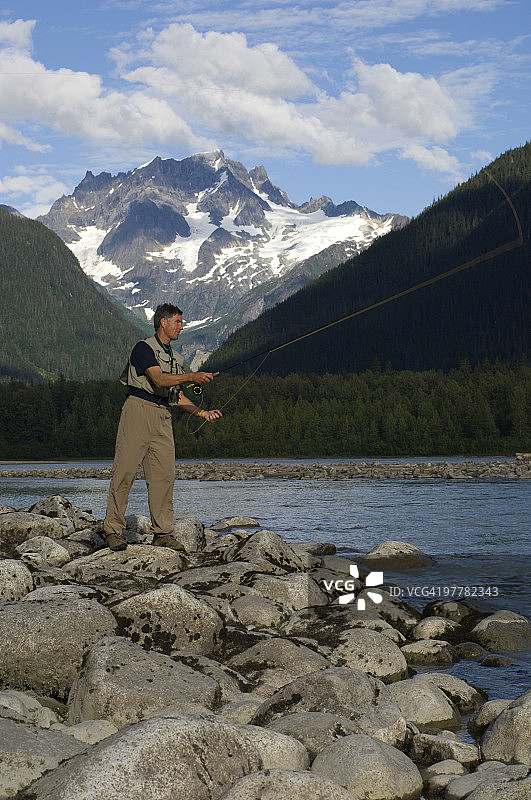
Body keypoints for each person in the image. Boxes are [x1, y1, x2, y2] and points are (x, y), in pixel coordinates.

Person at [103, 303, 222, 551]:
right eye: (178, 322)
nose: (182, 326)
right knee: (124, 471)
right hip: (138, 409)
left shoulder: (177, 359)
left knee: (164, 477)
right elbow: (157, 378)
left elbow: (177, 396)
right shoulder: (143, 348)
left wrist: (202, 413)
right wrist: (192, 376)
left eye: (182, 322)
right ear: (163, 323)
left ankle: (163, 533)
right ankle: (113, 530)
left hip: (162, 415)